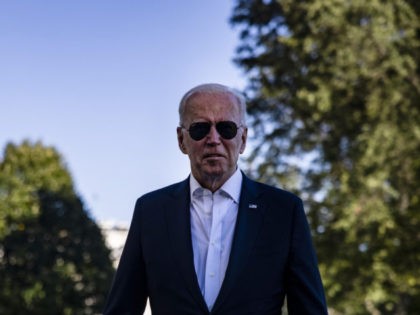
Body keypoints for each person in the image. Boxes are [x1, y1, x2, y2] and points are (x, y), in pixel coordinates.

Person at [103, 83, 328, 314]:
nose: (213, 139)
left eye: (226, 128)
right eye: (200, 129)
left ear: (243, 139)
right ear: (181, 139)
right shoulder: (150, 212)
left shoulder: (283, 212)